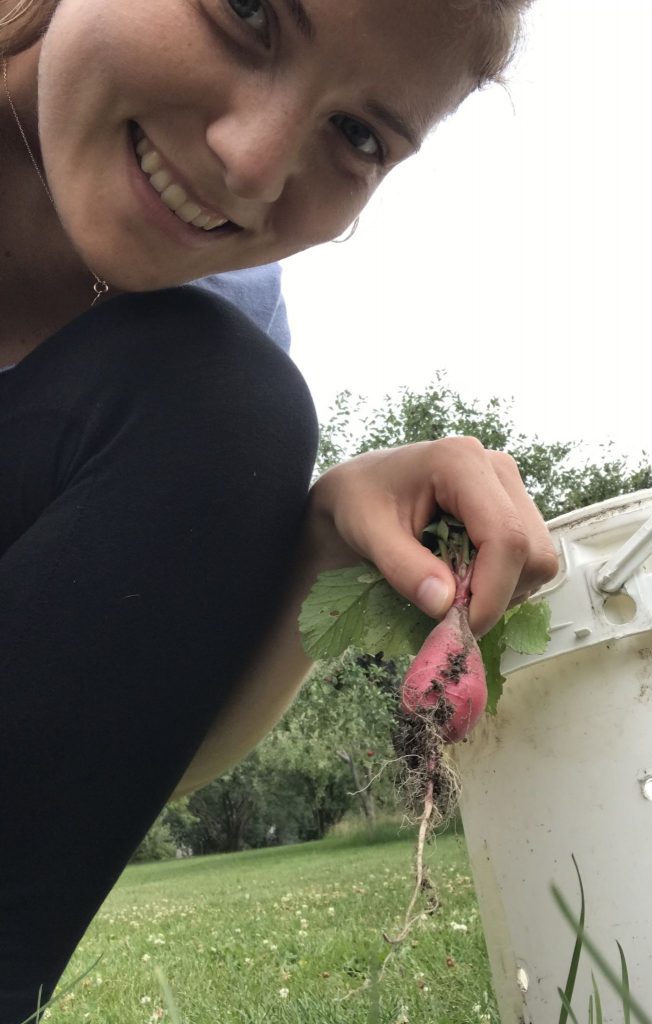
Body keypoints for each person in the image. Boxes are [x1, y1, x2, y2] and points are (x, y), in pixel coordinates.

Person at [0, 0, 559, 1018]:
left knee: (232, 404)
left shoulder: (217, 324)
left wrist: (311, 542)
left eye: (358, 136)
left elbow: (99, 745)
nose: (249, 166)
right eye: (246, 10)